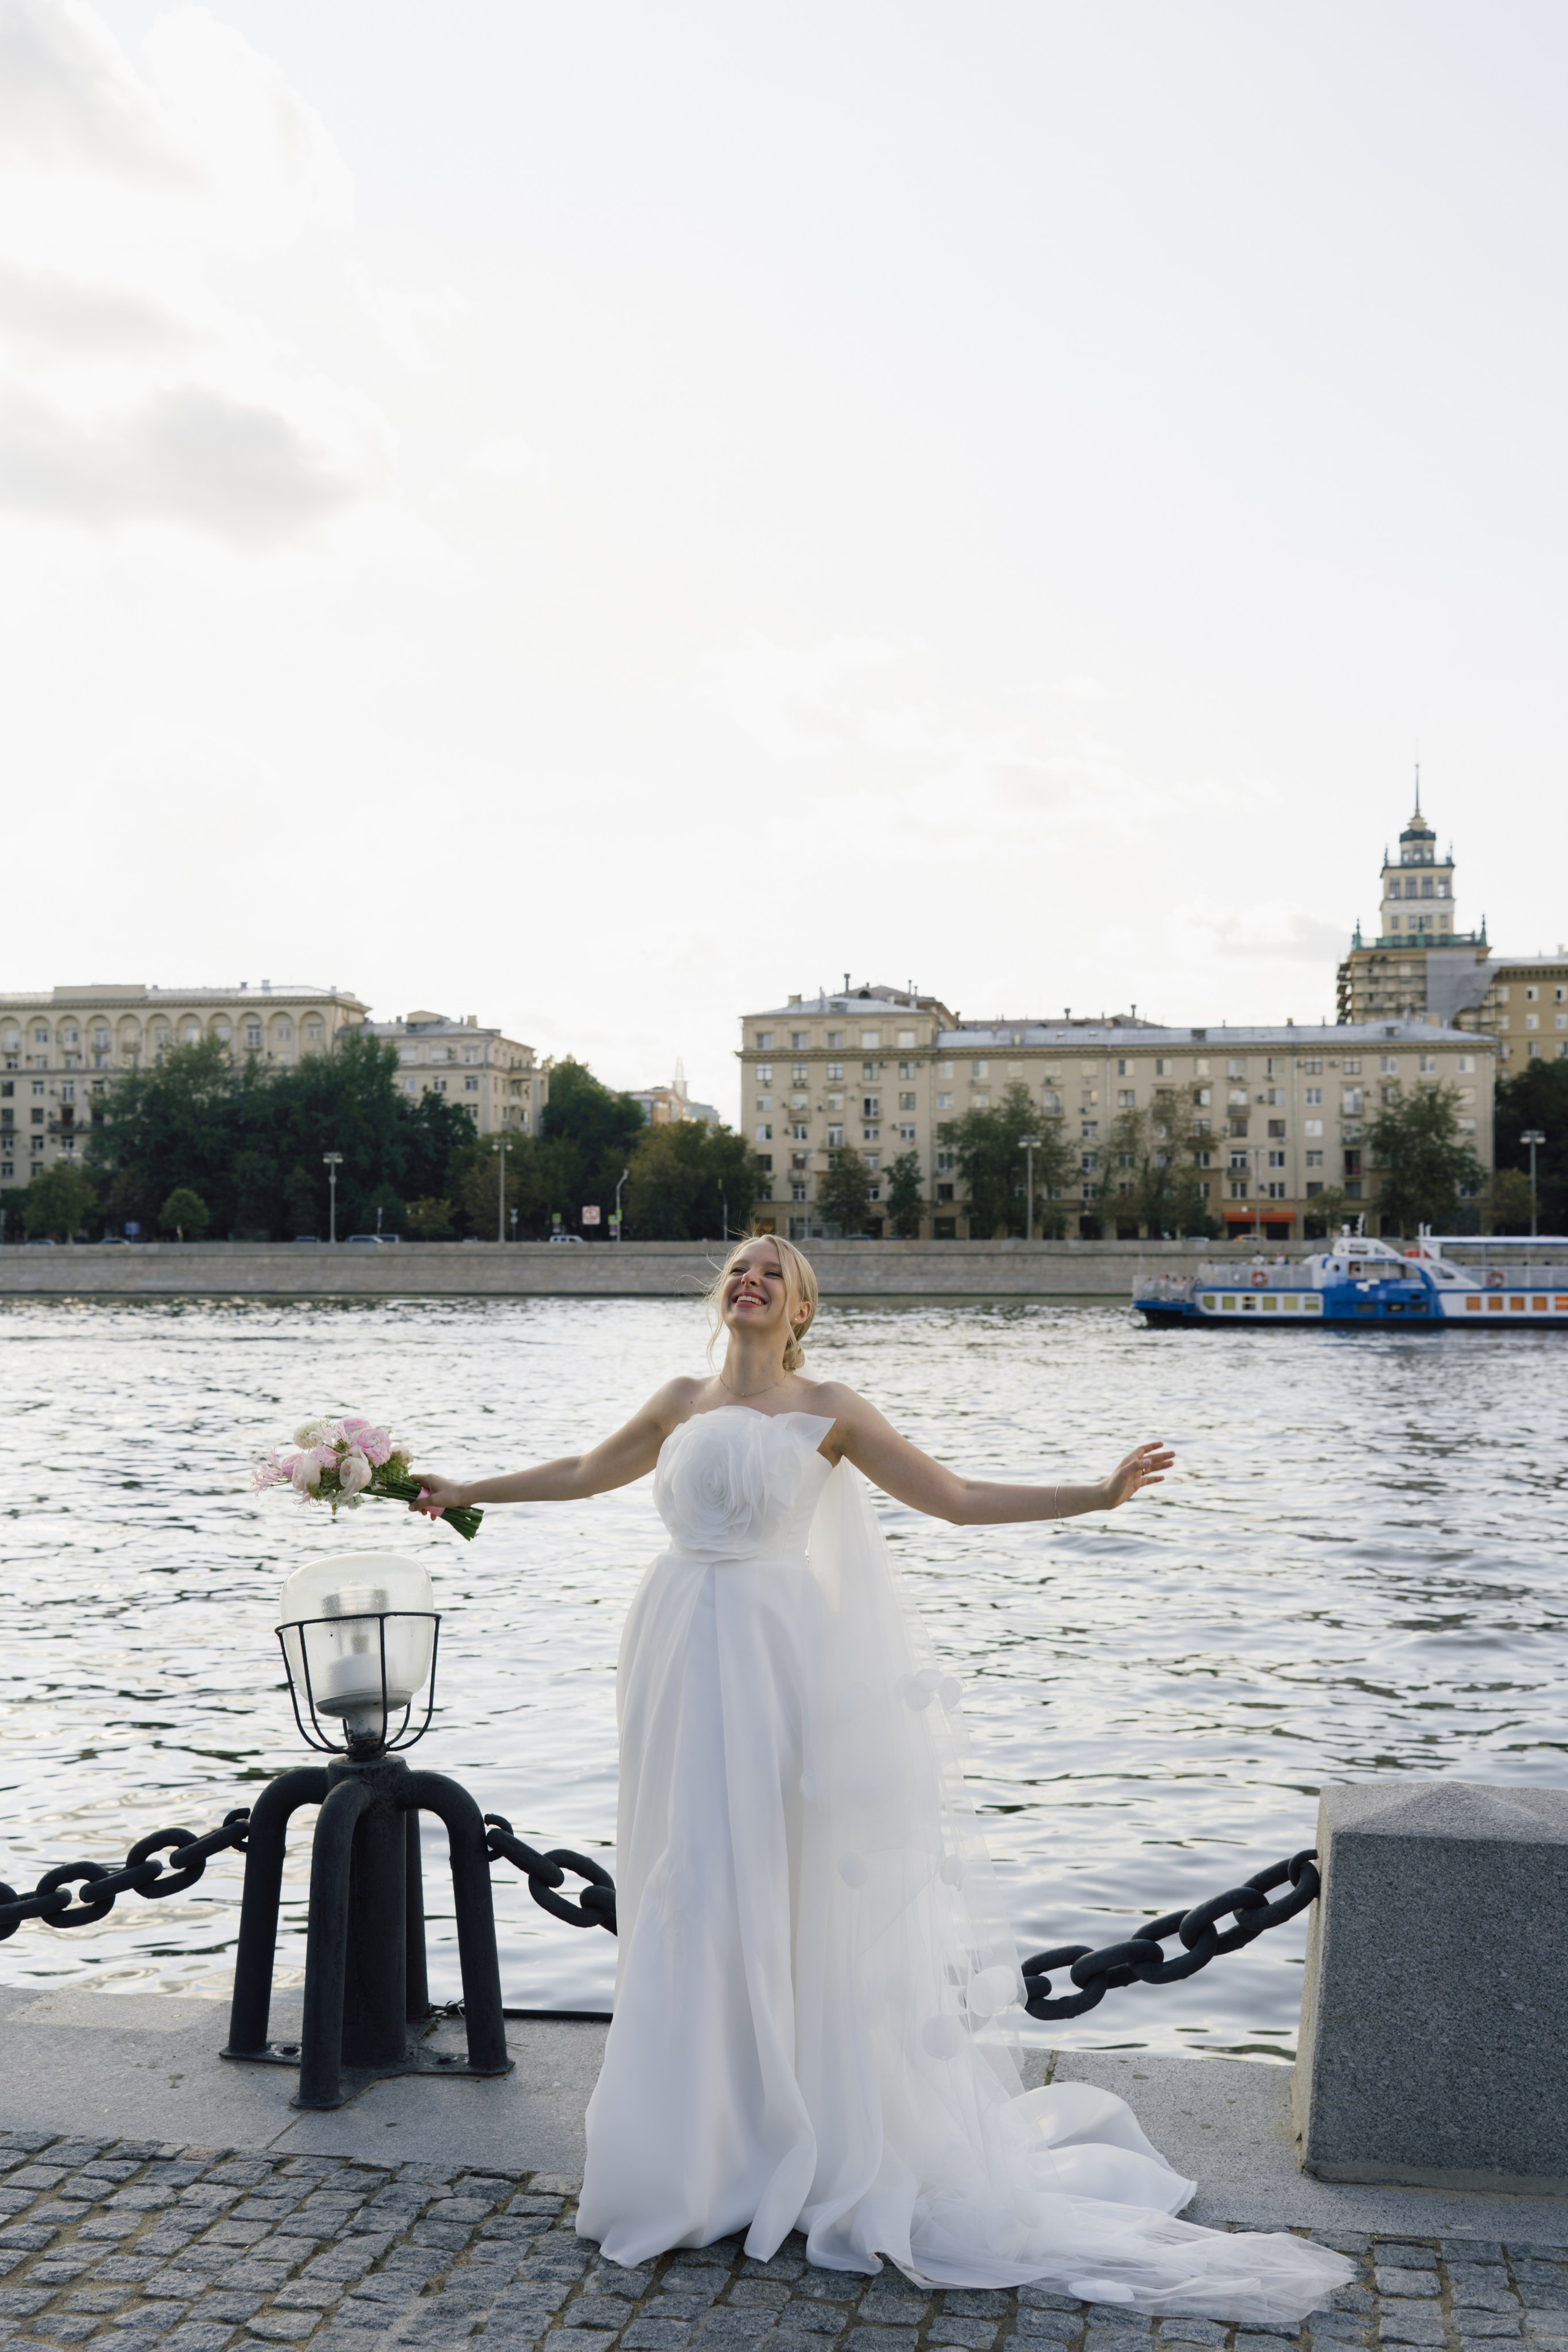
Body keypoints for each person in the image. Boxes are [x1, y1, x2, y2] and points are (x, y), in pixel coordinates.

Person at [410, 1235, 1351, 2320]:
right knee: (682, 1880)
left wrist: (1093, 1496)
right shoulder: (675, 1399)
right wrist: (464, 1487)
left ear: (802, 1306)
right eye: (739, 1269)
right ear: (724, 1297)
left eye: (774, 1271)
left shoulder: (833, 1407)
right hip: (673, 1644)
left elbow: (948, 1498)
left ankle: (792, 2131)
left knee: (771, 1877)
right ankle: (698, 2143)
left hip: (775, 1655)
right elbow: (583, 1475)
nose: (750, 1278)